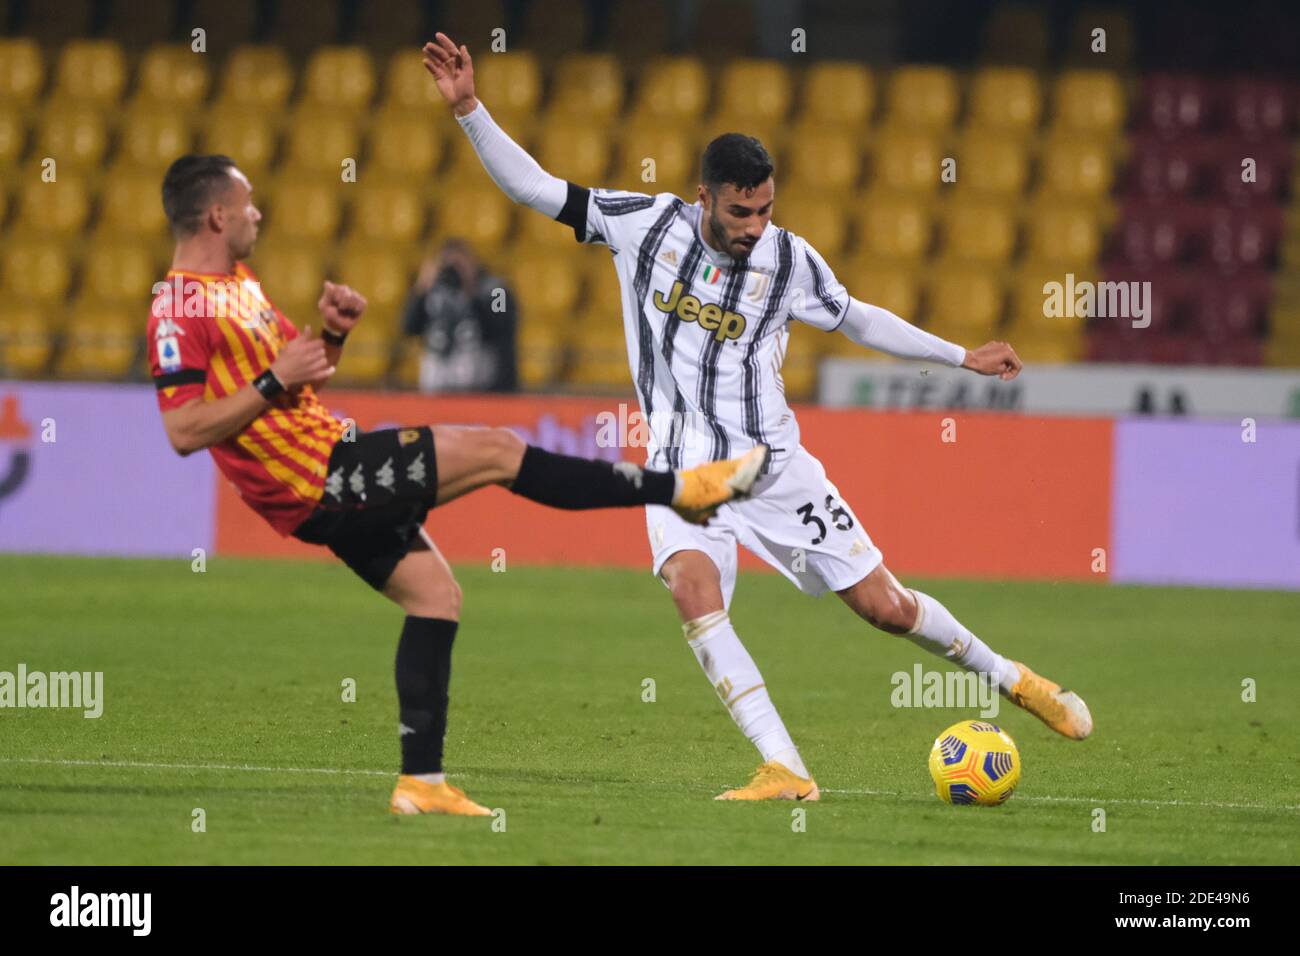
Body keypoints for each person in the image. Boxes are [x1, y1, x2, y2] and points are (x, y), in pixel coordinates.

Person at [423, 33, 1093, 802]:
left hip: (773, 465)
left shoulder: (789, 259)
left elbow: (857, 318)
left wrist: (957, 355)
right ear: (703, 195)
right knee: (690, 589)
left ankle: (1016, 680)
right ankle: (788, 768)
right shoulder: (643, 226)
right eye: (741, 211)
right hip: (682, 469)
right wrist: (470, 109)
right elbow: (538, 189)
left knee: (886, 607)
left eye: (766, 209)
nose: (754, 226)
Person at [147, 154, 770, 815]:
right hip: (318, 476)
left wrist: (328, 338)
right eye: (247, 204)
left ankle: (422, 784)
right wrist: (275, 377)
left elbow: (296, 386)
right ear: (217, 214)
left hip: (329, 465)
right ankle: (684, 490)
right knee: (500, 451)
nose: (257, 213)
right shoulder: (176, 306)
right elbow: (185, 431)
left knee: (436, 596)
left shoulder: (240, 283)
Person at [402, 238, 518, 393]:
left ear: (472, 261)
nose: (454, 271)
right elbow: (408, 327)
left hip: (482, 380)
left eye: (459, 265)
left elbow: (502, 327)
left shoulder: (497, 289)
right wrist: (421, 290)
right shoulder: (432, 290)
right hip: (437, 376)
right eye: (449, 265)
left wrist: (470, 289)